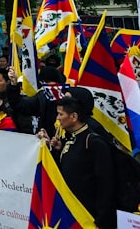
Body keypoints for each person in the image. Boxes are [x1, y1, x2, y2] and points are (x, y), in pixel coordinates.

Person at [46, 92, 115, 228]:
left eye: (61, 114)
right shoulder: (70, 138)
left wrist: (103, 220)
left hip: (89, 215)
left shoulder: (94, 142)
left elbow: (106, 184)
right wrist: (59, 149)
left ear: (74, 117)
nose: (57, 118)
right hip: (71, 211)